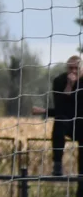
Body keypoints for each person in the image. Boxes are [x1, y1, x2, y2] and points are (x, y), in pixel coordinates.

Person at [34, 55, 83, 183]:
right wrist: (69, 86)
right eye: (70, 68)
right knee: (60, 121)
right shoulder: (59, 81)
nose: (72, 71)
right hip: (67, 122)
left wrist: (45, 111)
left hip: (81, 124)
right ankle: (57, 164)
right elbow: (61, 108)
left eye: (76, 68)